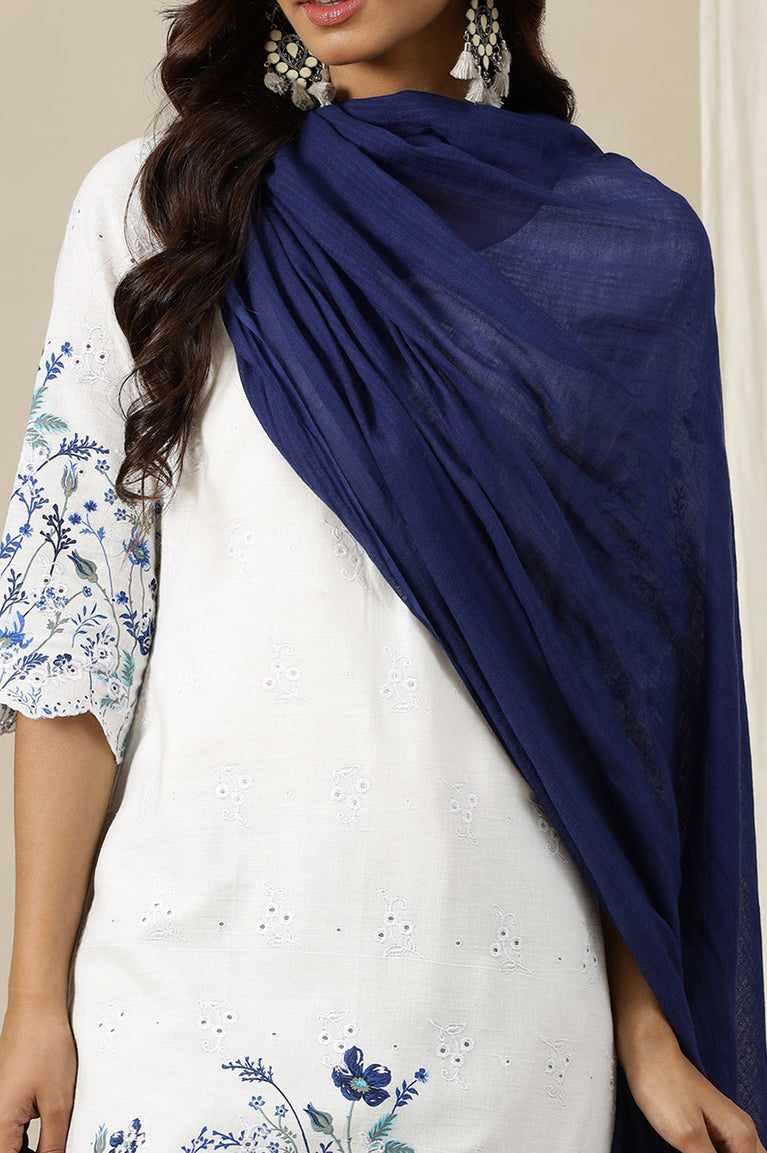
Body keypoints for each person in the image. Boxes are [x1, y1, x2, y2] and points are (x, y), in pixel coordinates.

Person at [0, 2, 765, 1151]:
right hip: (181, 1009)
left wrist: (645, 1025)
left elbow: (626, 702)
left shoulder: (623, 253)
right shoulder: (158, 209)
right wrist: (33, 998)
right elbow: (76, 632)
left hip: (503, 1022)